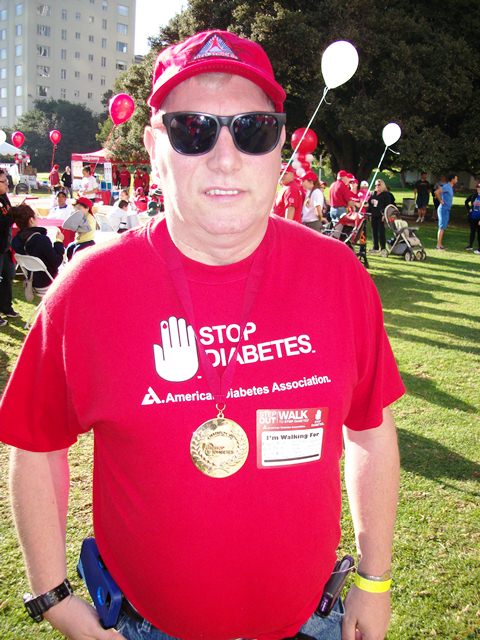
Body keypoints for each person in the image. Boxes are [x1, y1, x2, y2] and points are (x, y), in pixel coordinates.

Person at [0, 29, 404, 640]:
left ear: (280, 146)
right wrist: (53, 596)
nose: (224, 157)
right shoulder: (86, 290)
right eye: (193, 130)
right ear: (154, 143)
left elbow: (370, 427)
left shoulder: (339, 277)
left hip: (309, 621)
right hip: (147, 626)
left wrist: (374, 582)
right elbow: (35, 445)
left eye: (252, 130)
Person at [11, 204, 64, 291]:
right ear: (31, 220)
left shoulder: (16, 240)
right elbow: (57, 261)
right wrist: (59, 242)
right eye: (36, 217)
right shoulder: (41, 240)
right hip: (48, 281)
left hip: (32, 281)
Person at [0, 168, 18, 326]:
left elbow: (8, 214)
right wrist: (12, 217)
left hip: (5, 245)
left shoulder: (4, 196)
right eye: (4, 181)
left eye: (7, 180)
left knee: (8, 276)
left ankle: (6, 306)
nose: (7, 184)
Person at [367, 179, 395, 253]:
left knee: (381, 232)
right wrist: (368, 211)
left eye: (379, 185)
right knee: (374, 231)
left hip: (381, 215)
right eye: (376, 185)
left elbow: (388, 205)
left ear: (382, 185)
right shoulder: (373, 193)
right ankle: (375, 247)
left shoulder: (386, 194)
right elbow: (369, 203)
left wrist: (385, 215)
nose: (377, 186)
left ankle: (383, 248)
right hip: (374, 215)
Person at [435, 173, 458, 250]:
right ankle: (438, 245)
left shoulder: (450, 187)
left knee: (443, 227)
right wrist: (441, 201)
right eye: (456, 178)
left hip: (447, 209)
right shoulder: (447, 186)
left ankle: (440, 244)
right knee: (441, 227)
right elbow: (436, 192)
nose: (457, 180)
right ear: (452, 179)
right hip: (443, 209)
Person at [464, 182, 480, 254]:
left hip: (479, 219)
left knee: (479, 233)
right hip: (472, 217)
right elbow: (466, 201)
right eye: (478, 187)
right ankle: (470, 246)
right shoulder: (474, 195)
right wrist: (469, 210)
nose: (479, 189)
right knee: (472, 232)